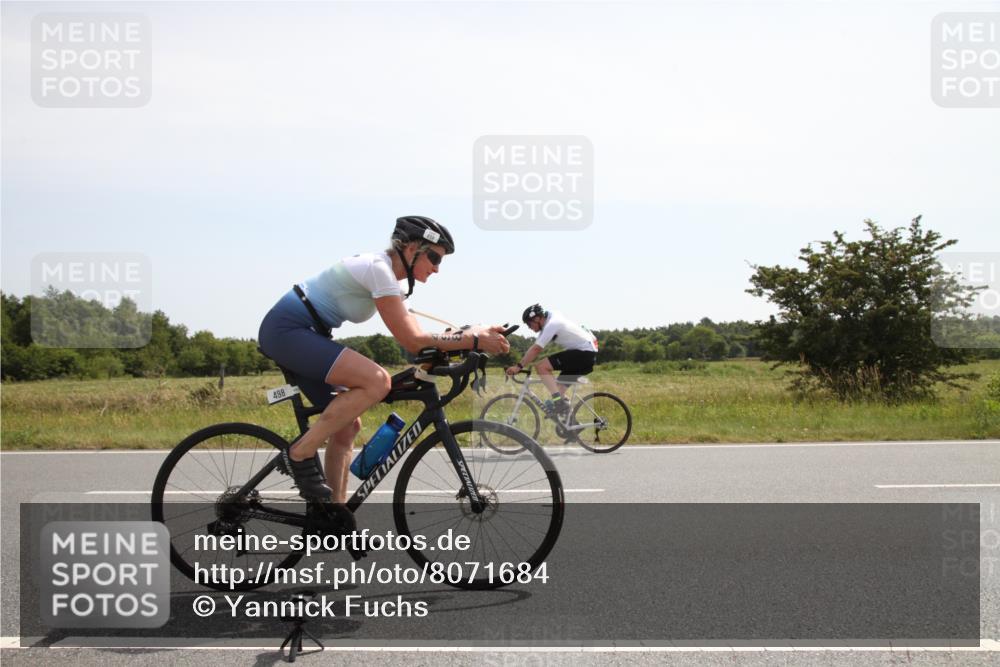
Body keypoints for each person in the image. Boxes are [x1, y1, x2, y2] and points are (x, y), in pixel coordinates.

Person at [258, 216, 510, 501]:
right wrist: (473, 339)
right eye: (434, 257)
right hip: (288, 329)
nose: (437, 268)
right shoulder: (379, 269)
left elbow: (422, 333)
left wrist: (473, 331)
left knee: (347, 425)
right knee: (378, 381)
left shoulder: (391, 282)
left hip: (306, 332)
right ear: (412, 247)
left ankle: (332, 514)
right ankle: (298, 454)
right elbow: (412, 341)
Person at [506, 304, 598, 415]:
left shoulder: (552, 324)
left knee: (541, 367)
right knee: (558, 390)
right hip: (586, 354)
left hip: (583, 353)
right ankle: (572, 425)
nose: (529, 327)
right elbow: (535, 346)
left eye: (529, 324)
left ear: (537, 318)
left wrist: (519, 366)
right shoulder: (550, 319)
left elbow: (536, 349)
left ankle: (559, 404)